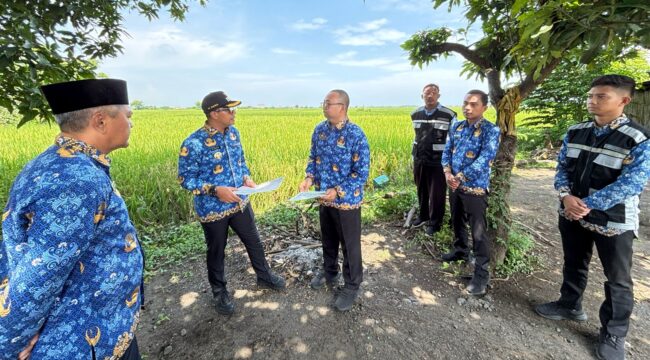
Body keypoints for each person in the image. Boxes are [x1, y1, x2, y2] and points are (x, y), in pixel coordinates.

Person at [0, 79, 143, 359]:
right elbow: (40, 273)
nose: (131, 124)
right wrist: (10, 342)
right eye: (128, 116)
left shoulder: (62, 162)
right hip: (83, 342)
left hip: (101, 327)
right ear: (100, 121)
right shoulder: (75, 181)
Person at [535, 75, 650, 360]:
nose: (592, 100)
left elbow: (632, 184)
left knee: (618, 279)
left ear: (624, 100)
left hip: (613, 220)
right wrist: (565, 196)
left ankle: (614, 332)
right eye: (590, 95)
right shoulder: (576, 131)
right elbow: (561, 168)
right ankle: (569, 304)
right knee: (574, 262)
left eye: (601, 96)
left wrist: (584, 204)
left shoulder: (638, 138)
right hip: (572, 213)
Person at [178, 91, 285, 316]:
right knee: (216, 250)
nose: (233, 113)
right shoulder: (193, 143)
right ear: (215, 113)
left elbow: (240, 161)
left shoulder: (233, 133)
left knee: (253, 240)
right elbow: (185, 179)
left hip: (240, 202)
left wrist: (246, 177)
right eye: (229, 109)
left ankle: (264, 276)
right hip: (213, 209)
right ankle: (219, 292)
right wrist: (215, 190)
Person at [299, 89, 370, 312]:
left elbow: (361, 173)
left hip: (347, 201)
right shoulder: (319, 131)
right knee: (328, 239)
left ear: (342, 107)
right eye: (324, 102)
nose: (324, 106)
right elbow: (313, 158)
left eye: (329, 103)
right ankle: (330, 271)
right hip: (323, 198)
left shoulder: (356, 135)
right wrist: (309, 178)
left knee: (350, 245)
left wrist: (338, 190)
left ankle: (351, 285)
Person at [440, 89, 500, 296]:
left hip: (474, 188)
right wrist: (447, 172)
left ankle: (481, 274)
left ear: (485, 107)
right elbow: (446, 151)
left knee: (478, 231)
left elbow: (486, 159)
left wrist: (460, 177)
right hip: (454, 184)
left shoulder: (491, 131)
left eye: (474, 104)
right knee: (456, 220)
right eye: (465, 103)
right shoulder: (456, 127)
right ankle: (460, 251)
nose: (467, 107)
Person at [411, 83, 457, 236]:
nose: (430, 95)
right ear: (422, 96)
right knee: (421, 189)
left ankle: (435, 223)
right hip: (420, 159)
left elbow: (454, 140)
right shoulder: (415, 114)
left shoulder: (449, 114)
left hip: (438, 161)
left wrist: (449, 164)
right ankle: (423, 216)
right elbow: (417, 137)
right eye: (427, 93)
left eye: (433, 92)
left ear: (438, 96)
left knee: (437, 193)